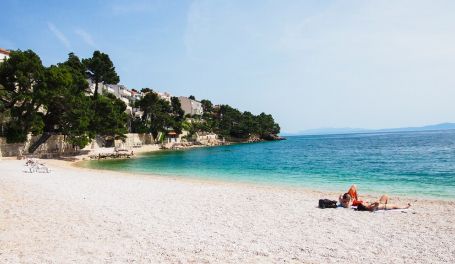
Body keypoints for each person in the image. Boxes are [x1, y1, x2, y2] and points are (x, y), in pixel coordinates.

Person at [339, 185, 411, 211]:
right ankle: (406, 206)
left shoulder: (343, 202)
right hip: (384, 206)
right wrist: (371, 203)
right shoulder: (370, 208)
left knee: (385, 196)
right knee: (396, 206)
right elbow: (377, 203)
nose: (364, 203)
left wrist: (342, 198)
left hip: (382, 205)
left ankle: (405, 206)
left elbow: (340, 197)